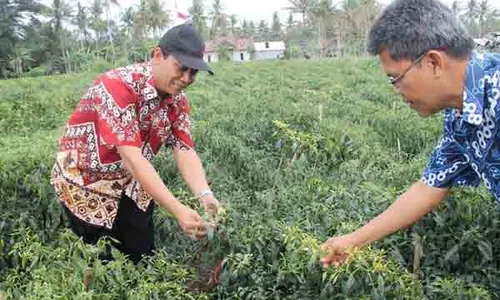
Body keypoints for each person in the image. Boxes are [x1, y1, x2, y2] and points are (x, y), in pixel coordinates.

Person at [320, 0, 500, 267]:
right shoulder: (460, 116)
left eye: (395, 78)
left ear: (433, 62)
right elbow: (430, 186)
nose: (396, 89)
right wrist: (353, 241)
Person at [50, 23, 221, 264]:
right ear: (158, 55)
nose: (186, 79)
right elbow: (132, 158)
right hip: (85, 181)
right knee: (101, 262)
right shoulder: (117, 85)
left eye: (193, 73)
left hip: (132, 182)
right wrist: (177, 208)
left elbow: (184, 149)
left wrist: (205, 195)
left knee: (142, 255)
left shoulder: (177, 102)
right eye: (181, 68)